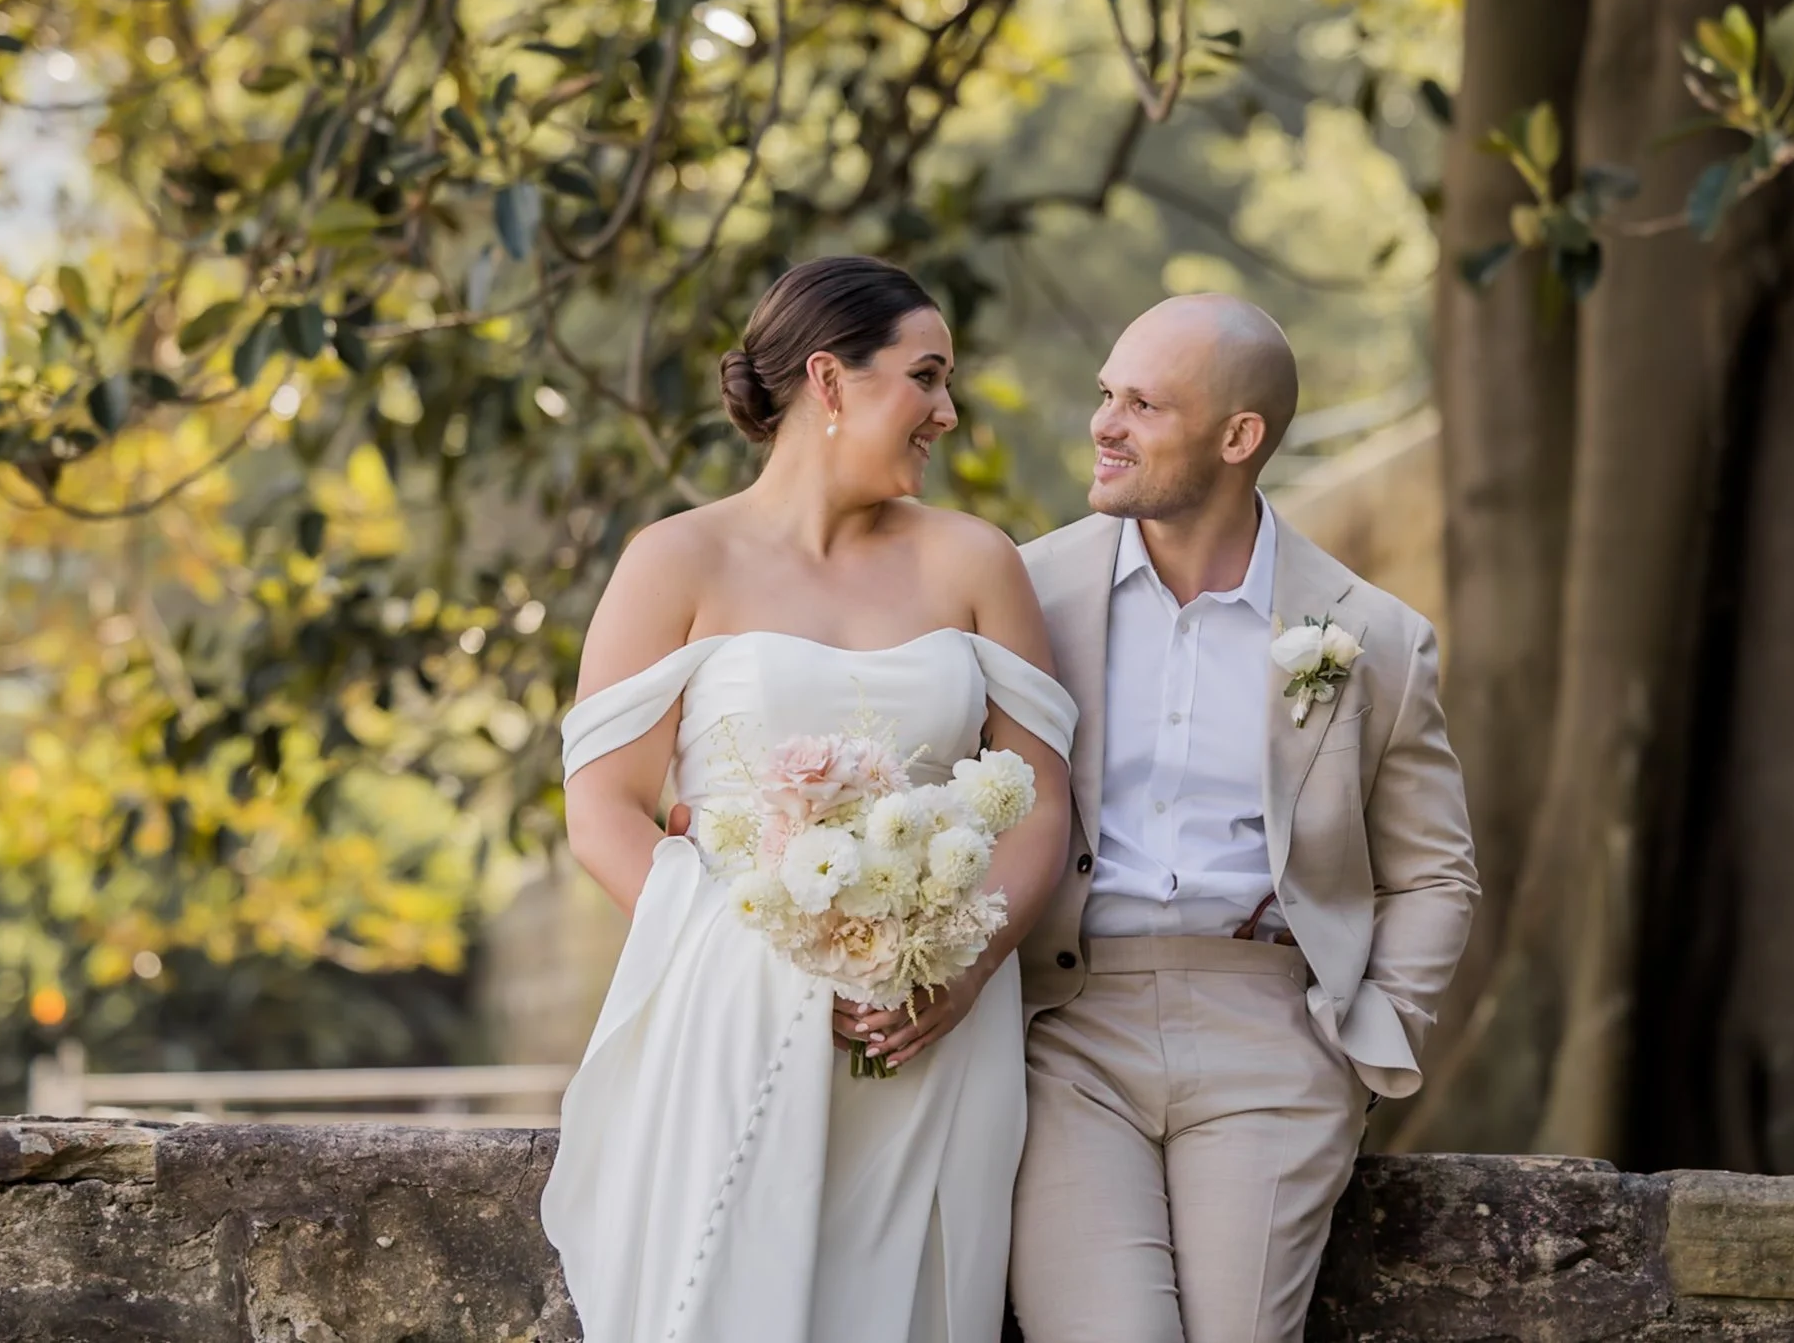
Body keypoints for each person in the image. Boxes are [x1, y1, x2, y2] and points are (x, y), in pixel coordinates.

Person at [544, 255, 1078, 1343]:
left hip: (930, 1025)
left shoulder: (976, 561)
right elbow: (605, 806)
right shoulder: (675, 559)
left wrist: (962, 969)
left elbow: (1039, 803)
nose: (946, 410)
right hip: (730, 1015)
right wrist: (751, 940)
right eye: (924, 377)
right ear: (829, 382)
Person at [1010, 294, 1478, 1343]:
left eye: (1143, 402)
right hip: (1063, 1031)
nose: (1104, 422)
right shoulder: (1022, 594)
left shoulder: (1375, 635)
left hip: (1272, 1034)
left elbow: (1434, 873)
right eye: (1104, 393)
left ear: (1237, 436)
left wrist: (1368, 1039)